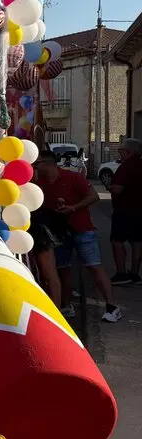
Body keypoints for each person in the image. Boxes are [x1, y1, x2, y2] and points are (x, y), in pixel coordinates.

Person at [33, 150, 122, 323]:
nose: (35, 167)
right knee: (63, 269)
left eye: (38, 163)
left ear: (49, 163)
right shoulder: (39, 183)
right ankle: (66, 306)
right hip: (58, 232)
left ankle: (112, 306)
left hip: (82, 229)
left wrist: (73, 207)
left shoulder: (73, 178)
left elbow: (94, 196)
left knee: (93, 266)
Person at [109, 138, 142, 286]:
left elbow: (117, 189)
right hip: (139, 210)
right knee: (137, 241)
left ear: (129, 152)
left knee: (117, 241)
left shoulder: (126, 167)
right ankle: (135, 274)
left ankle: (122, 273)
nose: (119, 153)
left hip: (124, 210)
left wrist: (109, 187)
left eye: (121, 150)